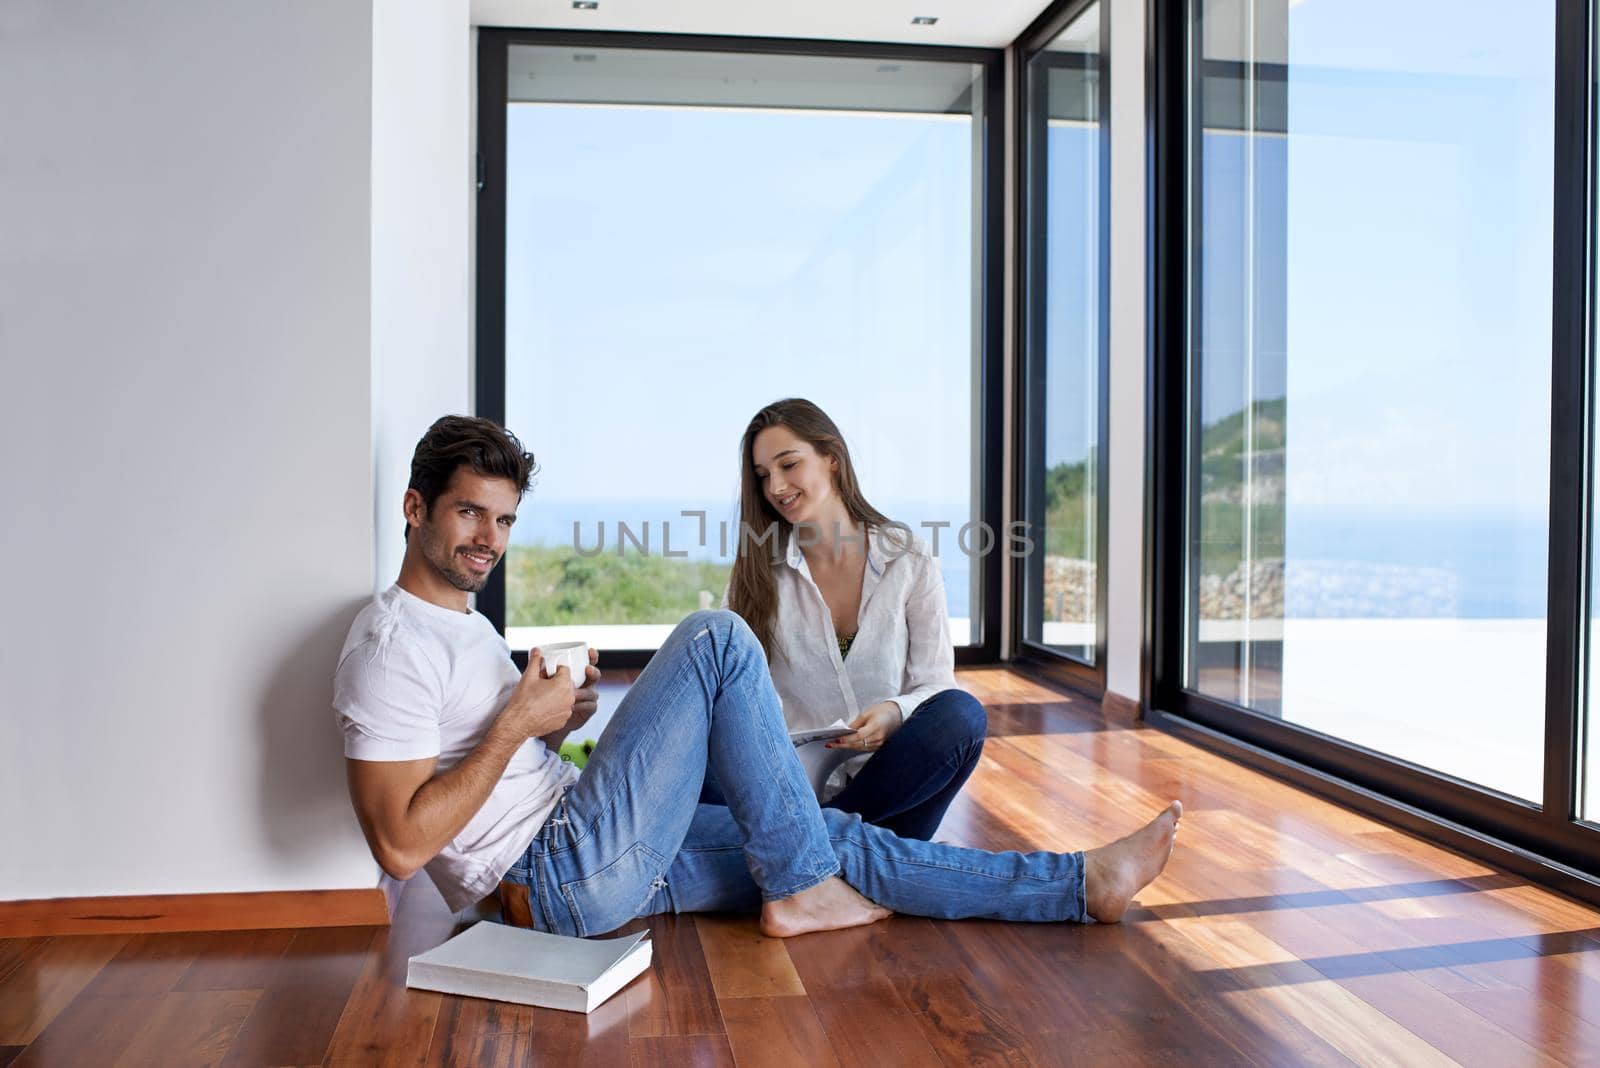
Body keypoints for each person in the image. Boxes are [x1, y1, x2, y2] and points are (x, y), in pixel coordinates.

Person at [335, 415, 1181, 940]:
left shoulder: (460, 622)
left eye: (505, 519)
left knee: (832, 842)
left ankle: (1080, 884)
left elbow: (492, 765)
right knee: (715, 637)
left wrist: (551, 720)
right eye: (468, 513)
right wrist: (518, 726)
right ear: (416, 510)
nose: (490, 536)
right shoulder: (388, 646)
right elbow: (402, 847)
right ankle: (801, 888)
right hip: (557, 875)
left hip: (582, 839)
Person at [721, 398, 985, 840]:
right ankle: (847, 856)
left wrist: (895, 713)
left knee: (963, 716)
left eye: (789, 464)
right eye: (764, 476)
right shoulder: (756, 576)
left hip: (893, 789)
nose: (776, 487)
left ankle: (814, 849)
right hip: (794, 793)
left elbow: (936, 685)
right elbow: (736, 704)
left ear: (832, 460)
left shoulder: (908, 559)